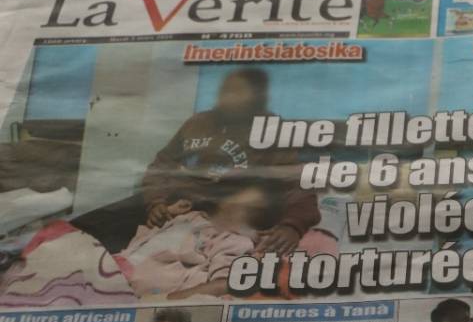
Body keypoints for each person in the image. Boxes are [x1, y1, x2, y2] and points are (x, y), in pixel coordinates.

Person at [72, 68, 319, 255]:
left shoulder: (272, 131)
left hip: (214, 212)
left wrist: (292, 227)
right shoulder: (197, 122)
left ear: (257, 98)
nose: (226, 97)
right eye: (225, 90)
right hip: (171, 205)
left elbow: (297, 186)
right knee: (85, 229)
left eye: (237, 91)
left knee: (129, 251)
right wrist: (156, 203)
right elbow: (161, 167)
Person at [116, 181, 272, 300]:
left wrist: (165, 299)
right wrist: (167, 211)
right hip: (119, 268)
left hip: (145, 291)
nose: (232, 209)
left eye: (247, 210)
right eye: (232, 202)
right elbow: (153, 238)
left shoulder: (233, 241)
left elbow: (223, 284)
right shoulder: (193, 217)